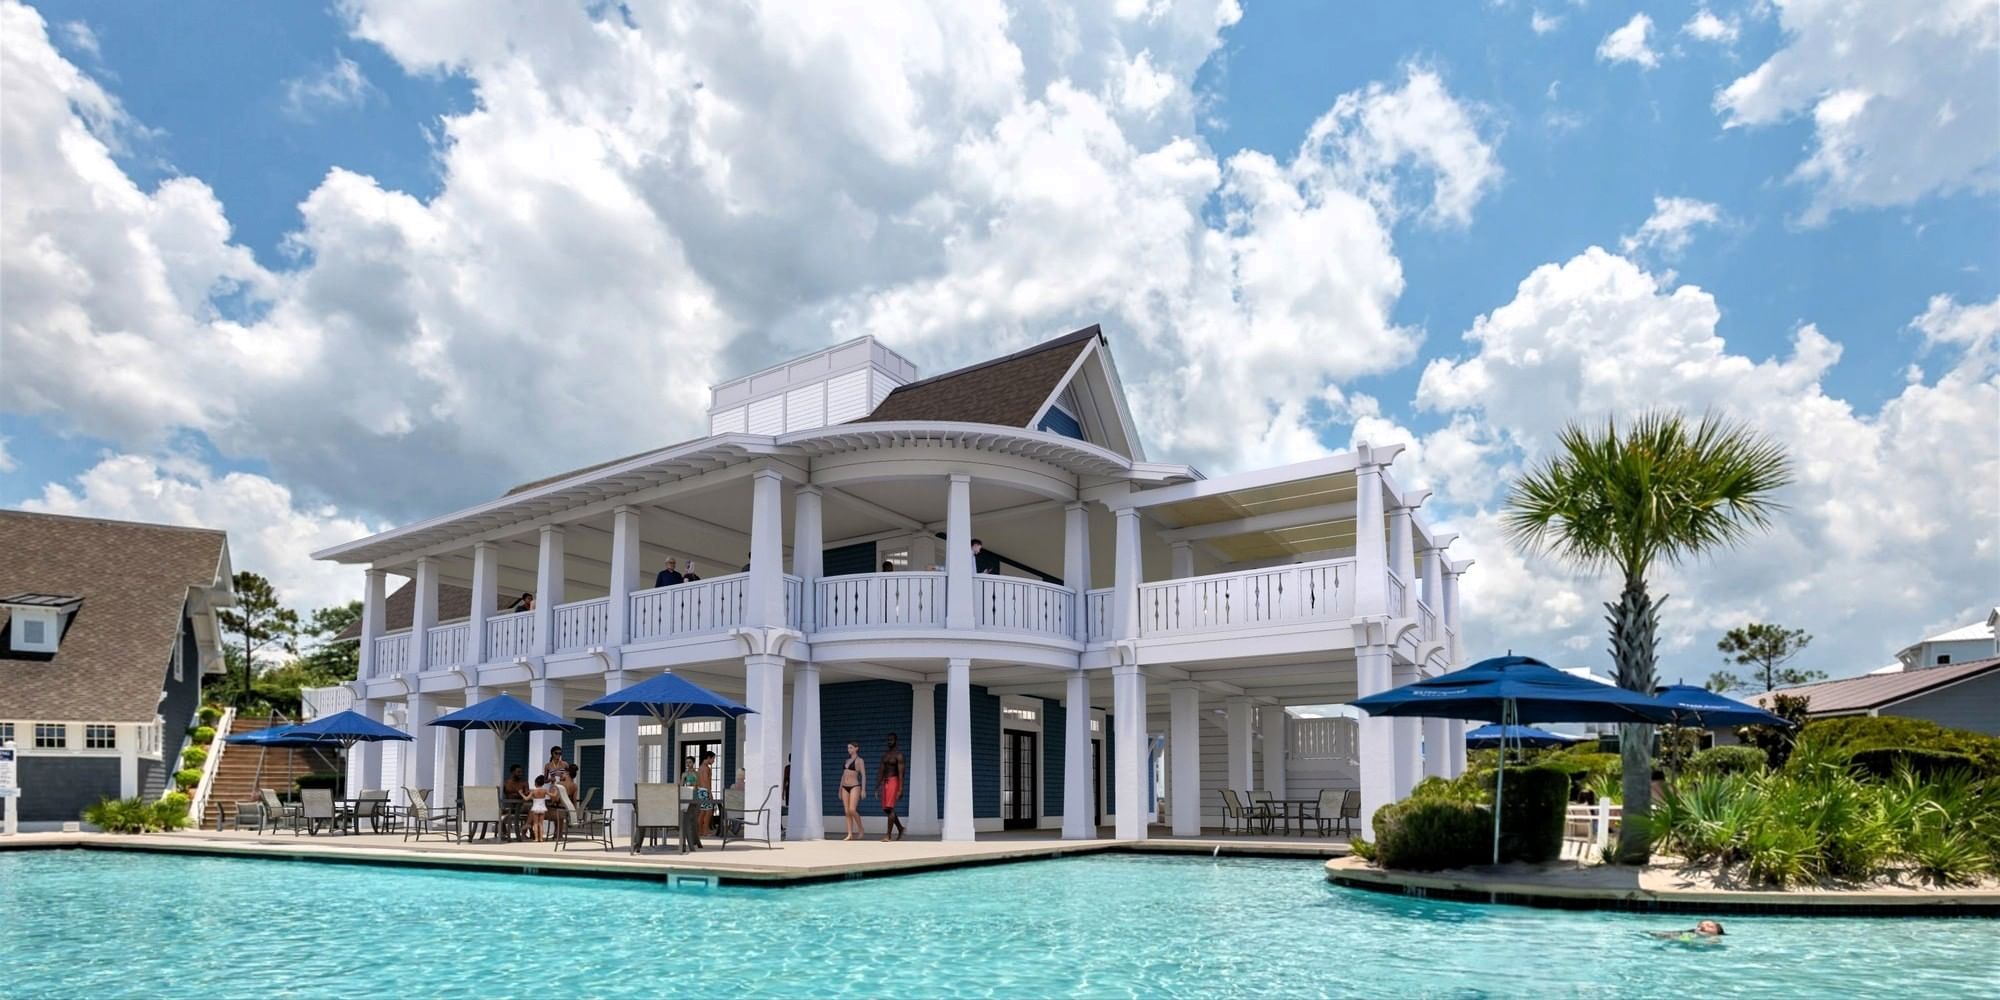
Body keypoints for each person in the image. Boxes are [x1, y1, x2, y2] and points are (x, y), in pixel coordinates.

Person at [838, 741, 868, 841]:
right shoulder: (847, 760)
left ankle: (861, 828)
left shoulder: (860, 761)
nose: (849, 750)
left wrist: (863, 789)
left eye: (851, 748)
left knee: (852, 809)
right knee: (846, 811)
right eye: (848, 748)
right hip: (844, 787)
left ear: (856, 748)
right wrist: (839, 789)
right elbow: (843, 775)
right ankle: (849, 834)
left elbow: (863, 775)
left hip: (855, 786)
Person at [879, 733, 905, 842]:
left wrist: (900, 789)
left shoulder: (899, 755)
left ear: (896, 740)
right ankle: (900, 828)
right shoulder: (885, 755)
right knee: (886, 809)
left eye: (892, 739)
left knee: (890, 808)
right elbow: (881, 771)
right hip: (885, 782)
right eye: (888, 739)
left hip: (894, 781)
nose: (890, 741)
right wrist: (877, 785)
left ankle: (888, 835)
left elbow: (901, 773)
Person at [696, 750, 718, 839]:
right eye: (713, 759)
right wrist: (709, 793)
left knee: (702, 812)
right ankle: (705, 831)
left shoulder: (700, 767)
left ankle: (700, 831)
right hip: (704, 791)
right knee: (708, 812)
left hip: (700, 791)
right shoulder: (706, 768)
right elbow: (705, 781)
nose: (713, 761)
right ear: (709, 758)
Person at [1649, 920, 1726, 943]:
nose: (1703, 927)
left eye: (1709, 926)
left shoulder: (1715, 938)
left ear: (1717, 931)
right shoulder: (1692, 933)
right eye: (1700, 925)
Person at [527, 776, 551, 842]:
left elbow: (526, 798)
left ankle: (536, 838)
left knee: (535, 823)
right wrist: (556, 791)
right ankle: (541, 838)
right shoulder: (544, 790)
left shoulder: (533, 791)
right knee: (541, 824)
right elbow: (552, 795)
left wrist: (521, 794)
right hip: (542, 807)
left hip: (535, 807)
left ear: (535, 783)